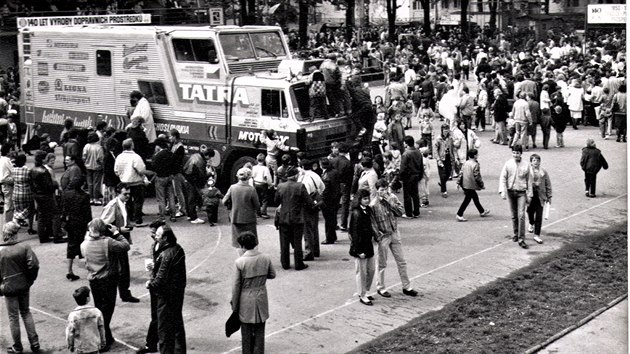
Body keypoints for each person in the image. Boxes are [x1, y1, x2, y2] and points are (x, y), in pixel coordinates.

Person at [81, 218, 130, 352]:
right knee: (107, 311)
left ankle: (107, 337)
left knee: (100, 307)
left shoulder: (84, 244)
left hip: (93, 279)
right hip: (108, 279)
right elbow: (125, 246)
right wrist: (116, 233)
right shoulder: (108, 242)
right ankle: (102, 339)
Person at [371, 179, 418, 298]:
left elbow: (400, 211)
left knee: (401, 261)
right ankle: (380, 287)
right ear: (377, 190)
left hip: (394, 233)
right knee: (382, 263)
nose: (384, 192)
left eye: (385, 189)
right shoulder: (373, 204)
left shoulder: (392, 197)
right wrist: (378, 235)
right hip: (383, 236)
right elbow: (373, 223)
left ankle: (406, 286)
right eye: (381, 190)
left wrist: (391, 203)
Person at [231, 231, 276, 354]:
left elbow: (236, 286)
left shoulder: (240, 262)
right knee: (260, 331)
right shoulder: (265, 258)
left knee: (246, 332)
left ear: (242, 246)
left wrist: (234, 306)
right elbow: (272, 275)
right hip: (261, 296)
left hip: (246, 299)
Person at [0, 221, 41, 354]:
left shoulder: (0, 251)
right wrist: (30, 279)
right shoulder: (24, 247)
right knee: (26, 312)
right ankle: (34, 343)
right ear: (15, 234)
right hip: (24, 284)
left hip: (8, 287)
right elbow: (33, 265)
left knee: (13, 317)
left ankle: (17, 346)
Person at [145, 224, 187, 353]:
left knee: (164, 331)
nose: (155, 237)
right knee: (177, 325)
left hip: (166, 295)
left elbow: (160, 279)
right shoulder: (178, 249)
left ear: (166, 238)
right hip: (177, 293)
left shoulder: (166, 254)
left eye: (158, 235)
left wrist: (149, 284)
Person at [101, 183, 140, 303]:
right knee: (119, 269)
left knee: (123, 269)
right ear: (118, 193)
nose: (128, 196)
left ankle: (124, 293)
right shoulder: (112, 205)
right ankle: (119, 294)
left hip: (121, 240)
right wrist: (119, 229)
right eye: (125, 194)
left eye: (129, 193)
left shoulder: (124, 204)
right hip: (114, 241)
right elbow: (103, 225)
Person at [136, 220, 166, 354]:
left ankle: (151, 344)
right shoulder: (155, 245)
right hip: (155, 282)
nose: (152, 235)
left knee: (157, 316)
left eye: (154, 233)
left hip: (159, 285)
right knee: (158, 315)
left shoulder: (166, 249)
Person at [274, 166, 311, 270]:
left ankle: (285, 263)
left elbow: (276, 201)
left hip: (284, 217)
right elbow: (308, 201)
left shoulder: (280, 186)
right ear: (295, 176)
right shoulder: (300, 186)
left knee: (284, 242)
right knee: (297, 242)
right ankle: (299, 264)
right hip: (297, 218)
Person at [499, 144, 533, 249]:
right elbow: (503, 177)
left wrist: (530, 194)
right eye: (514, 152)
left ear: (521, 153)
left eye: (517, 153)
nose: (515, 155)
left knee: (521, 215)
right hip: (511, 192)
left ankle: (521, 238)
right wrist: (502, 191)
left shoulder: (526, 165)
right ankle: (516, 233)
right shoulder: (508, 164)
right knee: (514, 215)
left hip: (521, 192)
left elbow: (529, 180)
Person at [61, 168, 92, 281]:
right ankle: (89, 270)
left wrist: (63, 222)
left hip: (70, 222)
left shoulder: (66, 194)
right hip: (81, 223)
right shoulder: (84, 196)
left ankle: (69, 271)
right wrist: (89, 226)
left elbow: (63, 210)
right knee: (84, 247)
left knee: (71, 246)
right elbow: (88, 214)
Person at [349, 188, 377, 306]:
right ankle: (362, 294)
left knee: (371, 270)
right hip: (360, 245)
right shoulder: (356, 213)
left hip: (368, 244)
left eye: (368, 198)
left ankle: (365, 290)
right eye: (364, 199)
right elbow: (354, 232)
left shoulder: (368, 210)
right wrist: (358, 250)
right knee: (361, 271)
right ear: (359, 200)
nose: (367, 201)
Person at [223, 168, 259, 255]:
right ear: (249, 177)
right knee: (252, 240)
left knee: (238, 241)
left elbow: (224, 201)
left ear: (238, 176)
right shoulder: (251, 189)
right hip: (249, 218)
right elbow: (257, 205)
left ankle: (241, 258)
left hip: (236, 217)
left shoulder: (232, 188)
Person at [30, 151, 65, 243]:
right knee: (55, 214)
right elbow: (49, 186)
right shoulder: (44, 171)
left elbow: (31, 184)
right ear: (43, 159)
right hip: (46, 195)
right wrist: (55, 186)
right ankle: (57, 235)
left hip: (37, 195)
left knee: (41, 216)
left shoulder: (33, 169)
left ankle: (42, 237)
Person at [114, 138, 147, 226]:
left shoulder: (119, 157)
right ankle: (138, 219)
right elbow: (141, 170)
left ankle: (129, 217)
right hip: (136, 182)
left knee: (127, 201)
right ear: (132, 146)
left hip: (124, 182)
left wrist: (122, 175)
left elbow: (116, 171)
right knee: (138, 201)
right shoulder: (136, 157)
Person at [66, 286, 106, 354]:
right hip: (94, 345)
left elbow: (70, 332)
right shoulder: (96, 312)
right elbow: (101, 328)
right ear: (88, 299)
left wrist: (70, 344)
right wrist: (103, 341)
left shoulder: (73, 315)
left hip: (80, 347)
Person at [298, 159, 324, 259]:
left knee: (307, 228)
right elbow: (322, 187)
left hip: (307, 205)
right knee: (314, 227)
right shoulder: (315, 175)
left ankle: (309, 251)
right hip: (316, 203)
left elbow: (305, 194)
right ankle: (316, 250)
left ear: (302, 167)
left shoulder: (305, 179)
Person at [455, 149, 490, 221]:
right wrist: (481, 185)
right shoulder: (475, 164)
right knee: (467, 200)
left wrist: (458, 182)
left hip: (464, 184)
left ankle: (482, 211)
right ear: (474, 156)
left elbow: (461, 173)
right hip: (470, 184)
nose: (478, 155)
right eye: (477, 154)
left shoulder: (465, 163)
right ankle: (459, 214)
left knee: (475, 197)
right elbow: (477, 176)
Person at [526, 154, 552, 245]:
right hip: (530, 195)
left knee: (539, 215)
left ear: (540, 162)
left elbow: (548, 184)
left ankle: (537, 234)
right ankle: (531, 222)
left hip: (540, 196)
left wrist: (549, 196)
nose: (536, 162)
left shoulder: (543, 172)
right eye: (534, 160)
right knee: (529, 211)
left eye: (537, 160)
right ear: (531, 162)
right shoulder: (528, 171)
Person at [152, 138, 177, 222]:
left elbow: (154, 167)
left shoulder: (157, 155)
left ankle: (162, 216)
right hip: (169, 177)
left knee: (161, 198)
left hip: (160, 178)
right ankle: (173, 216)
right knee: (171, 197)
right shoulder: (171, 154)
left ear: (159, 146)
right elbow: (175, 165)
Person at [399, 135, 423, 219]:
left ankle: (409, 213)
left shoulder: (406, 154)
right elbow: (421, 165)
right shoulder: (418, 152)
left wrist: (400, 177)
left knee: (407, 195)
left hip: (408, 176)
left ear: (406, 143)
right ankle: (416, 212)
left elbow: (403, 167)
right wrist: (420, 175)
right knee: (415, 194)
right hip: (416, 175)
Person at [12, 153, 35, 234]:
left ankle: (14, 229)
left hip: (16, 194)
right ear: (24, 161)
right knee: (31, 210)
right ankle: (30, 228)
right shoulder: (28, 170)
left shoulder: (13, 170)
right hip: (27, 193)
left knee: (16, 211)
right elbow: (31, 181)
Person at [319, 158, 340, 245]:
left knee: (328, 219)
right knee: (332, 218)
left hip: (328, 200)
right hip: (335, 198)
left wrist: (322, 197)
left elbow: (326, 189)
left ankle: (329, 238)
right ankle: (333, 236)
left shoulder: (326, 175)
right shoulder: (334, 172)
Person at [83, 132, 104, 205]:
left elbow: (84, 157)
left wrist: (85, 162)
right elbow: (100, 159)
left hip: (88, 166)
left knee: (90, 183)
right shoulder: (99, 147)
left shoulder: (86, 146)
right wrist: (102, 165)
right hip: (97, 167)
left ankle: (91, 198)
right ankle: (96, 198)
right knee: (97, 183)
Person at [434, 124, 455, 198]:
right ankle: (444, 191)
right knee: (442, 174)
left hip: (449, 158)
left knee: (448, 173)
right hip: (441, 158)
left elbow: (453, 147)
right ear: (442, 130)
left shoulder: (451, 138)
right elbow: (435, 150)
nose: (446, 132)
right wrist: (438, 159)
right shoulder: (438, 139)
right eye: (444, 130)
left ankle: (443, 183)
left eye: (447, 130)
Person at [251, 153, 272, 219]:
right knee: (264, 199)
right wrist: (270, 184)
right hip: (263, 185)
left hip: (255, 184)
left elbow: (252, 176)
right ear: (264, 160)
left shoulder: (254, 168)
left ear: (257, 159)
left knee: (257, 198)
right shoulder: (265, 168)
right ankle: (263, 212)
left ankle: (257, 212)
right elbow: (268, 178)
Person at [0, 142, 14, 227]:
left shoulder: (3, 160)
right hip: (7, 184)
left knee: (9, 204)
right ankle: (8, 225)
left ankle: (9, 222)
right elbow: (11, 173)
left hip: (5, 183)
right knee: (9, 205)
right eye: (12, 149)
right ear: (8, 151)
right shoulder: (6, 161)